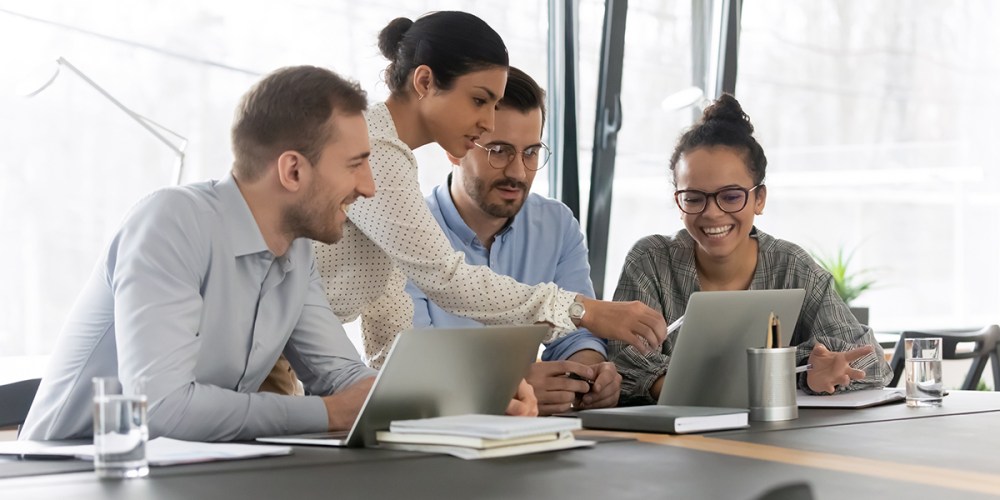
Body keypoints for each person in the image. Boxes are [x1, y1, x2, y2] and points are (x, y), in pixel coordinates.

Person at [21, 66, 383, 442]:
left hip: (184, 470)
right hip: (72, 472)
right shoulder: (171, 223)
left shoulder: (297, 250)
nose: (369, 187)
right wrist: (326, 413)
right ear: (292, 170)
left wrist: (415, 402)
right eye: (355, 164)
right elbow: (162, 409)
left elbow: (344, 378)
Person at [309, 12, 666, 365]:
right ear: (424, 82)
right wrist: (582, 310)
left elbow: (389, 322)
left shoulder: (392, 159)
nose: (488, 122)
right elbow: (447, 279)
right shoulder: (376, 151)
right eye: (480, 100)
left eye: (494, 105)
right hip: (266, 351)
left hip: (291, 353)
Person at [609, 94, 892, 406]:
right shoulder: (651, 261)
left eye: (731, 197)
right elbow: (622, 361)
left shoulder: (792, 266)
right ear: (679, 201)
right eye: (693, 198)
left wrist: (814, 371)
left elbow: (872, 363)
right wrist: (778, 371)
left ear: (760, 199)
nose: (713, 213)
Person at [400, 67, 621, 415]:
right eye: (499, 151)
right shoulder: (409, 230)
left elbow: (575, 334)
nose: (518, 172)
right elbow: (412, 365)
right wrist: (511, 385)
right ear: (455, 150)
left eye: (531, 152)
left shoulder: (556, 224)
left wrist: (586, 376)